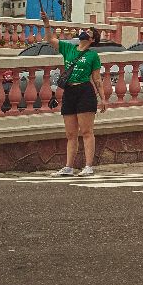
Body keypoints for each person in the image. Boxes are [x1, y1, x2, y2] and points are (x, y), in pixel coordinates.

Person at [42, 13, 106, 177]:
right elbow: (51, 40)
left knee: (86, 131)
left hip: (85, 91)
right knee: (71, 133)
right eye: (85, 30)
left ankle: (88, 165)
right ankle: (69, 166)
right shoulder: (69, 48)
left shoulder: (93, 55)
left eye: (89, 31)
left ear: (92, 39)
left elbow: (97, 79)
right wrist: (47, 24)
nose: (84, 32)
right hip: (69, 91)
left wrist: (103, 99)